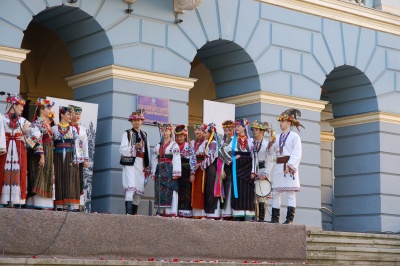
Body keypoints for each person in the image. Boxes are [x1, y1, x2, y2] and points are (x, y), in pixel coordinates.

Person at [0, 94, 40, 206]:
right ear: (13, 106)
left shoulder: (22, 121)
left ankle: (16, 200)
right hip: (5, 150)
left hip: (19, 150)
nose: (22, 109)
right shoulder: (2, 119)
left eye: (23, 106)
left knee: (18, 171)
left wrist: (26, 140)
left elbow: (37, 133)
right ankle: (4, 199)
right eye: (20, 106)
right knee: (4, 171)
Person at [269, 109, 304, 224]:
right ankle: (275, 219)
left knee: (291, 193)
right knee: (275, 192)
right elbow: (270, 152)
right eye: (280, 121)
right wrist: (270, 142)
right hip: (279, 166)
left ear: (289, 122)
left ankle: (289, 219)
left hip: (289, 166)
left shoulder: (295, 136)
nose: (281, 123)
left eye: (283, 121)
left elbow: (297, 153)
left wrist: (290, 165)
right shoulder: (277, 137)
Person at [220, 118, 256, 221]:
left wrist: (253, 170)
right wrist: (232, 159)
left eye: (238, 126)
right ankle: (238, 215)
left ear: (244, 127)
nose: (236, 128)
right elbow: (221, 151)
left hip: (248, 170)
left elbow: (254, 156)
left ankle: (248, 214)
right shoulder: (232, 140)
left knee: (248, 192)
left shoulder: (250, 141)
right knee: (238, 193)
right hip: (237, 169)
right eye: (235, 126)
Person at [119, 109, 150, 215]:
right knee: (131, 188)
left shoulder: (144, 135)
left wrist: (147, 165)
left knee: (138, 190)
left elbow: (147, 152)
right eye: (134, 120)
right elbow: (122, 149)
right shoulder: (127, 133)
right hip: (130, 163)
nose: (137, 122)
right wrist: (134, 147)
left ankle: (134, 213)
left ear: (141, 121)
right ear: (131, 122)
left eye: (139, 120)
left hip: (140, 164)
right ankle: (128, 214)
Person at [28, 98, 55, 209]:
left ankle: (46, 202)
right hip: (41, 152)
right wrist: (42, 156)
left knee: (46, 174)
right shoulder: (37, 123)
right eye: (48, 108)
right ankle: (38, 201)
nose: (50, 111)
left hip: (48, 150)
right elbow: (37, 140)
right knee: (40, 174)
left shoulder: (45, 123)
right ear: (42, 109)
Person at [52, 106, 80, 211]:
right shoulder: (54, 128)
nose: (70, 116)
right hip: (58, 154)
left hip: (69, 154)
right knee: (59, 176)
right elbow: (51, 144)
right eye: (68, 114)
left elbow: (78, 144)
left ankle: (70, 203)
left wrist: (77, 158)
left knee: (70, 177)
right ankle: (59, 204)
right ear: (62, 115)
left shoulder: (73, 129)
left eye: (70, 114)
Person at [151, 123, 181, 216]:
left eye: (166, 131)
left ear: (170, 131)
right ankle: (160, 211)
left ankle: (169, 212)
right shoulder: (158, 145)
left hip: (169, 169)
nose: (164, 133)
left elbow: (176, 158)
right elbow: (154, 158)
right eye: (163, 131)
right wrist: (153, 172)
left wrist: (176, 172)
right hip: (159, 169)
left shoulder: (174, 145)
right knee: (159, 190)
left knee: (169, 190)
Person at [251, 120, 274, 222]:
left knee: (261, 195)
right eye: (253, 129)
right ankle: (255, 217)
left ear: (262, 131)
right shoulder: (251, 143)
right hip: (253, 171)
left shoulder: (266, 145)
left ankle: (261, 219)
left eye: (256, 129)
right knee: (253, 196)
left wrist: (265, 174)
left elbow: (270, 160)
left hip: (262, 170)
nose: (254, 131)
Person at [69, 105, 89, 212]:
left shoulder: (82, 129)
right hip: (69, 157)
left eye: (79, 114)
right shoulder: (67, 127)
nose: (77, 116)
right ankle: (70, 203)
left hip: (80, 158)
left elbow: (85, 144)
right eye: (76, 114)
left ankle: (77, 204)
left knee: (78, 180)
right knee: (70, 179)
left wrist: (86, 159)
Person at [174, 124, 196, 217]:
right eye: (178, 136)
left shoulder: (189, 146)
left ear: (185, 136)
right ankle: (175, 211)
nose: (179, 138)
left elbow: (193, 159)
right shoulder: (173, 146)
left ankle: (185, 212)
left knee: (186, 192)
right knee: (176, 191)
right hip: (175, 171)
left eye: (181, 136)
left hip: (186, 171)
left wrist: (192, 173)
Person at [201, 122, 221, 219]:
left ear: (211, 133)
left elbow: (211, 157)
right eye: (204, 133)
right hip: (209, 168)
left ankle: (213, 213)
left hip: (212, 168)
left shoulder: (213, 143)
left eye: (206, 133)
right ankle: (209, 212)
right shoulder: (208, 143)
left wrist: (202, 165)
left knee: (211, 189)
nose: (204, 135)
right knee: (208, 189)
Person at [189, 124, 207, 218]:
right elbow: (191, 156)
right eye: (196, 130)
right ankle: (195, 212)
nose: (197, 132)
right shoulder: (192, 142)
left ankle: (202, 213)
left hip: (203, 168)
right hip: (193, 166)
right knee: (194, 188)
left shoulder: (207, 142)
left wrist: (201, 164)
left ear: (203, 131)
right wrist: (192, 170)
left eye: (199, 130)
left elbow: (208, 156)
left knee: (202, 189)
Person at [219, 120, 234, 220]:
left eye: (230, 130)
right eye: (226, 130)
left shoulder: (234, 140)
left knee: (231, 189)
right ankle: (226, 212)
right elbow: (220, 154)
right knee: (226, 189)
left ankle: (231, 212)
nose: (228, 132)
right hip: (227, 168)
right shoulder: (224, 141)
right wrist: (221, 169)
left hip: (234, 167)